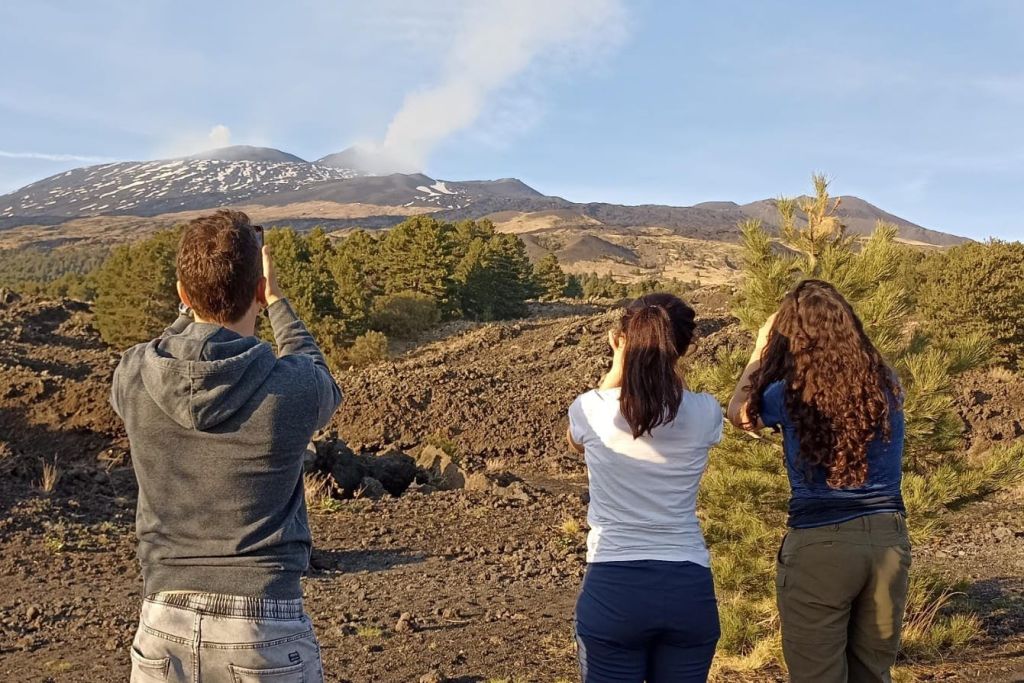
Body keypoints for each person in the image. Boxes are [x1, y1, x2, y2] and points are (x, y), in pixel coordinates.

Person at [111, 210, 341, 683]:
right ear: (258, 291)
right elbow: (318, 371)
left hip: (161, 625)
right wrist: (276, 300)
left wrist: (189, 307)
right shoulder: (293, 389)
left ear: (181, 294)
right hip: (263, 629)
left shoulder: (132, 373)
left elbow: (168, 347)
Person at [727, 279, 910, 683]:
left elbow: (738, 411)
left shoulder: (786, 394)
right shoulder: (887, 384)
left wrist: (760, 349)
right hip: (888, 541)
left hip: (819, 542)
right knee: (874, 673)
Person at [567, 293, 723, 683]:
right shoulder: (706, 412)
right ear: (685, 347)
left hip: (614, 589)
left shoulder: (590, 408)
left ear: (621, 339)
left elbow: (577, 440)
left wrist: (619, 365)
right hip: (688, 589)